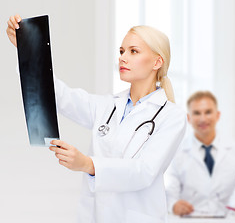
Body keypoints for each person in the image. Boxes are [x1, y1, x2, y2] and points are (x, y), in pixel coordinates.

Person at [7, 14, 187, 223]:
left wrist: (87, 164)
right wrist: (28, 48)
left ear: (157, 62)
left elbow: (144, 172)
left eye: (133, 51)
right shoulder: (107, 106)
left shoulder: (172, 116)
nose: (122, 57)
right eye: (121, 51)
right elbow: (60, 96)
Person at [164, 91, 235, 217]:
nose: (203, 119)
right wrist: (174, 205)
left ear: (217, 115)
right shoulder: (176, 152)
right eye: (197, 113)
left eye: (208, 112)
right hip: (192, 219)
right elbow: (170, 193)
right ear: (189, 118)